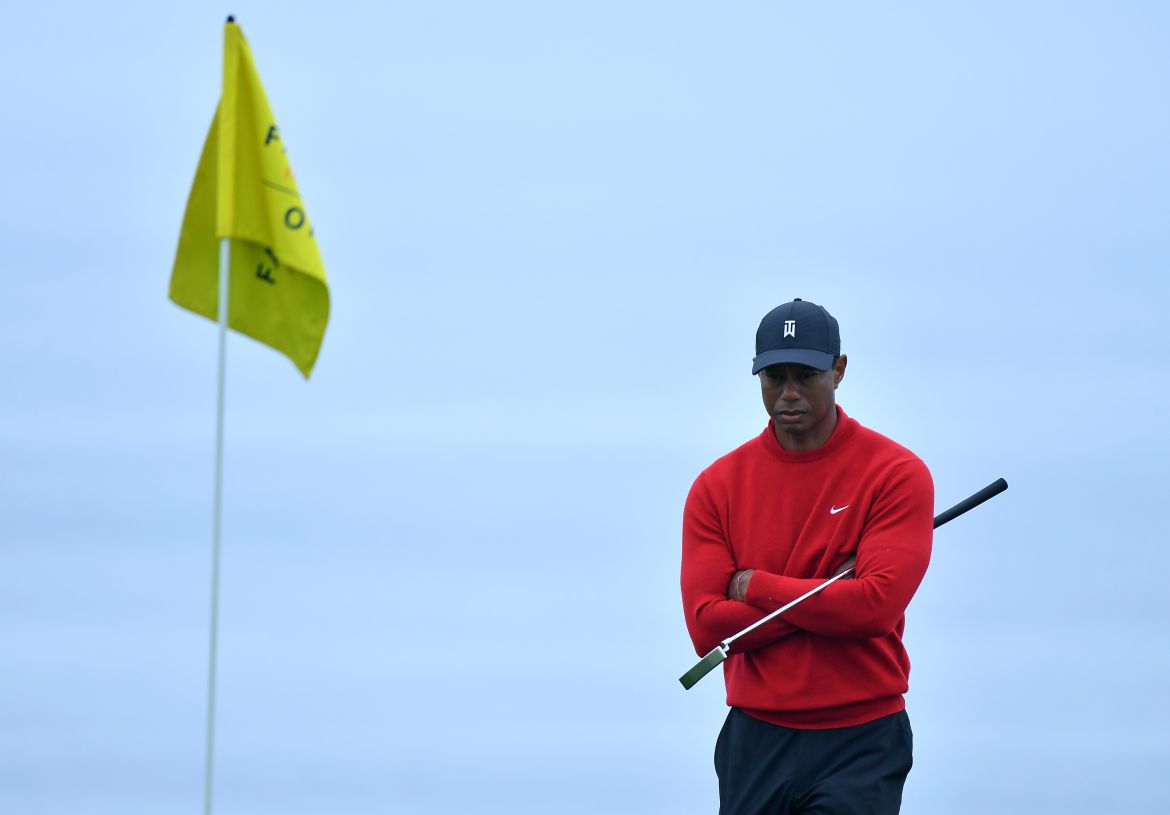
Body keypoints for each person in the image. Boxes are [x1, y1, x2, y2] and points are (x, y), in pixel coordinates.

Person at [680, 298, 934, 815]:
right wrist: (828, 597)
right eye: (774, 376)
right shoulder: (716, 487)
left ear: (838, 371)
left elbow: (873, 609)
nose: (788, 392)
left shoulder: (895, 473)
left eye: (807, 374)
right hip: (754, 739)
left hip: (861, 739)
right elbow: (709, 629)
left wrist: (754, 587)